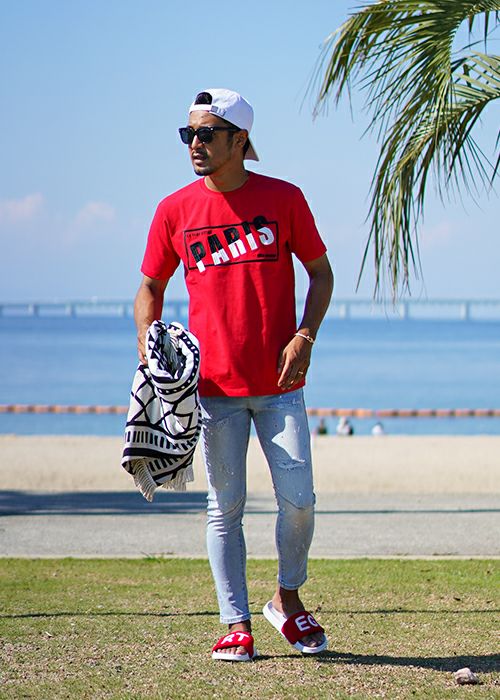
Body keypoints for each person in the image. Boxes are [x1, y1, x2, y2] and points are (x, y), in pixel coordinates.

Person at [134, 88, 334, 661]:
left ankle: (286, 601)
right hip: (213, 390)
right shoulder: (174, 209)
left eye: (206, 134)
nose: (194, 144)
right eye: (188, 134)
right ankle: (235, 623)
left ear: (239, 140)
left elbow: (321, 273)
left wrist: (304, 336)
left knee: (299, 500)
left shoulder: (284, 198)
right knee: (225, 507)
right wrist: (149, 352)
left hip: (280, 387)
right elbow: (150, 287)